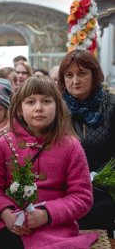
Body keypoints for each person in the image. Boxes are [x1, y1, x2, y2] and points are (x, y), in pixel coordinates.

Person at [0, 76, 98, 248]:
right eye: (30, 102)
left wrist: (47, 214)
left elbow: (82, 197)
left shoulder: (71, 146)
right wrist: (5, 213)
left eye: (46, 101)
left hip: (56, 230)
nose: (38, 108)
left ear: (57, 107)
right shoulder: (5, 143)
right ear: (19, 109)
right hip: (10, 225)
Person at [58, 49, 115, 237]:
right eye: (69, 75)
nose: (75, 81)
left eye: (82, 73)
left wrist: (100, 179)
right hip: (64, 195)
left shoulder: (110, 107)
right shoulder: (56, 109)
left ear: (95, 74)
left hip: (103, 195)